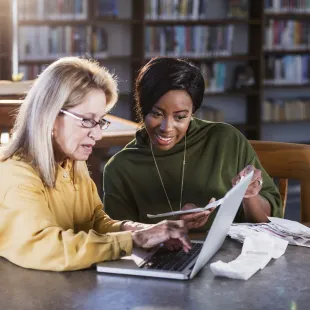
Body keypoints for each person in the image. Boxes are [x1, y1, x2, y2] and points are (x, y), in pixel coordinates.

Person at [0, 57, 191, 272]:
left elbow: (93, 221)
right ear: (51, 116)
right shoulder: (15, 177)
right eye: (87, 120)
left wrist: (139, 230)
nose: (98, 134)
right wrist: (134, 240)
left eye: (100, 121)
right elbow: (46, 247)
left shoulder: (71, 163)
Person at [103, 57, 282, 230]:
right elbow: (121, 240)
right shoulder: (120, 168)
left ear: (192, 112)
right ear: (142, 109)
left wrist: (249, 196)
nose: (167, 127)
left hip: (231, 257)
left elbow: (269, 221)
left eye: (180, 117)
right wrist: (172, 227)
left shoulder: (226, 140)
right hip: (162, 259)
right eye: (156, 114)